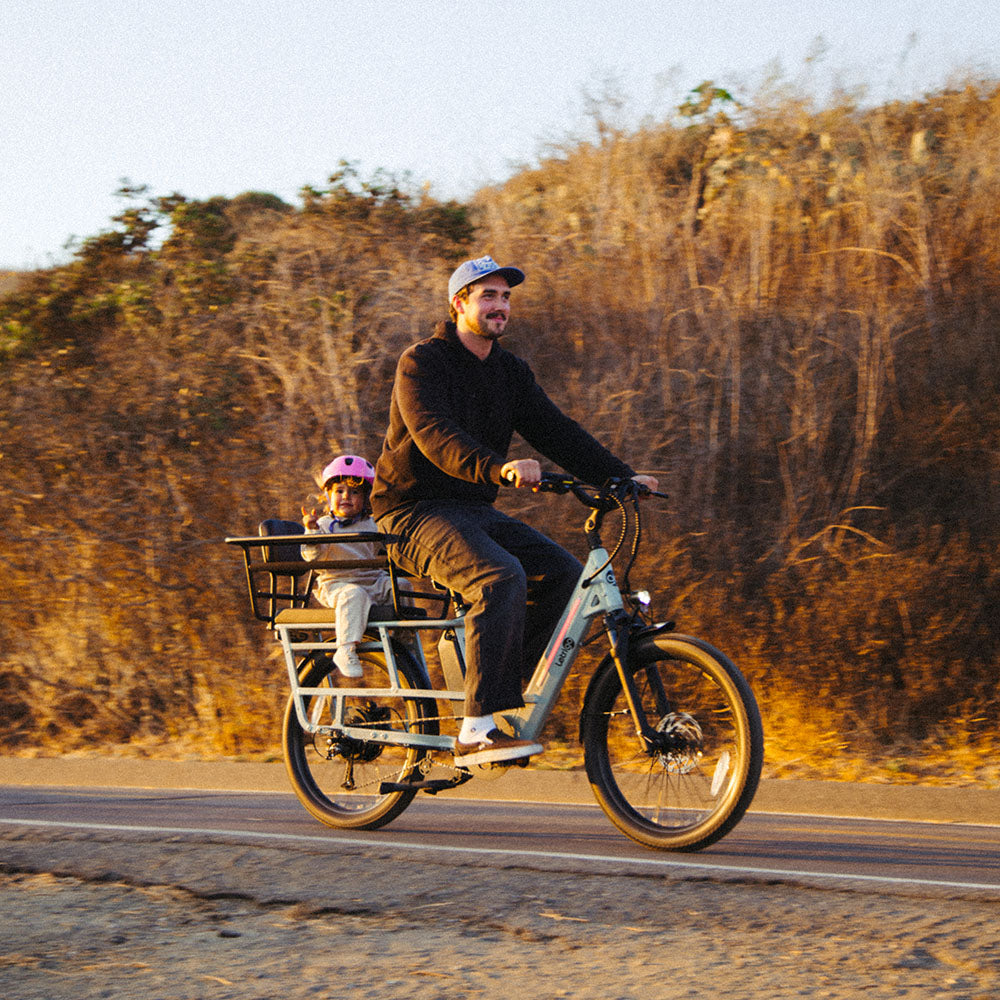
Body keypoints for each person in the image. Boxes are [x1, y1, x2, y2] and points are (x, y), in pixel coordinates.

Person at [371, 255, 658, 766]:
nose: (500, 305)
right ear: (459, 304)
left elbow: (556, 430)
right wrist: (496, 468)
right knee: (499, 577)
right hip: (411, 512)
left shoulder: (510, 372)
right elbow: (435, 435)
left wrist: (619, 476)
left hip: (470, 509)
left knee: (568, 577)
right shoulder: (421, 362)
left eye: (505, 297)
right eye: (488, 296)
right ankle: (474, 731)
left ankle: (494, 699)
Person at [301, 454, 393, 679]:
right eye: (339, 491)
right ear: (328, 495)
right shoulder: (323, 525)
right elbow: (311, 556)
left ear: (366, 498)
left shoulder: (373, 524)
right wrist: (311, 531)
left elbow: (390, 547)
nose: (346, 497)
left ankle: (403, 637)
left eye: (354, 492)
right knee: (354, 594)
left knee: (400, 585)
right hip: (337, 584)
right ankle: (346, 648)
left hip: (372, 580)